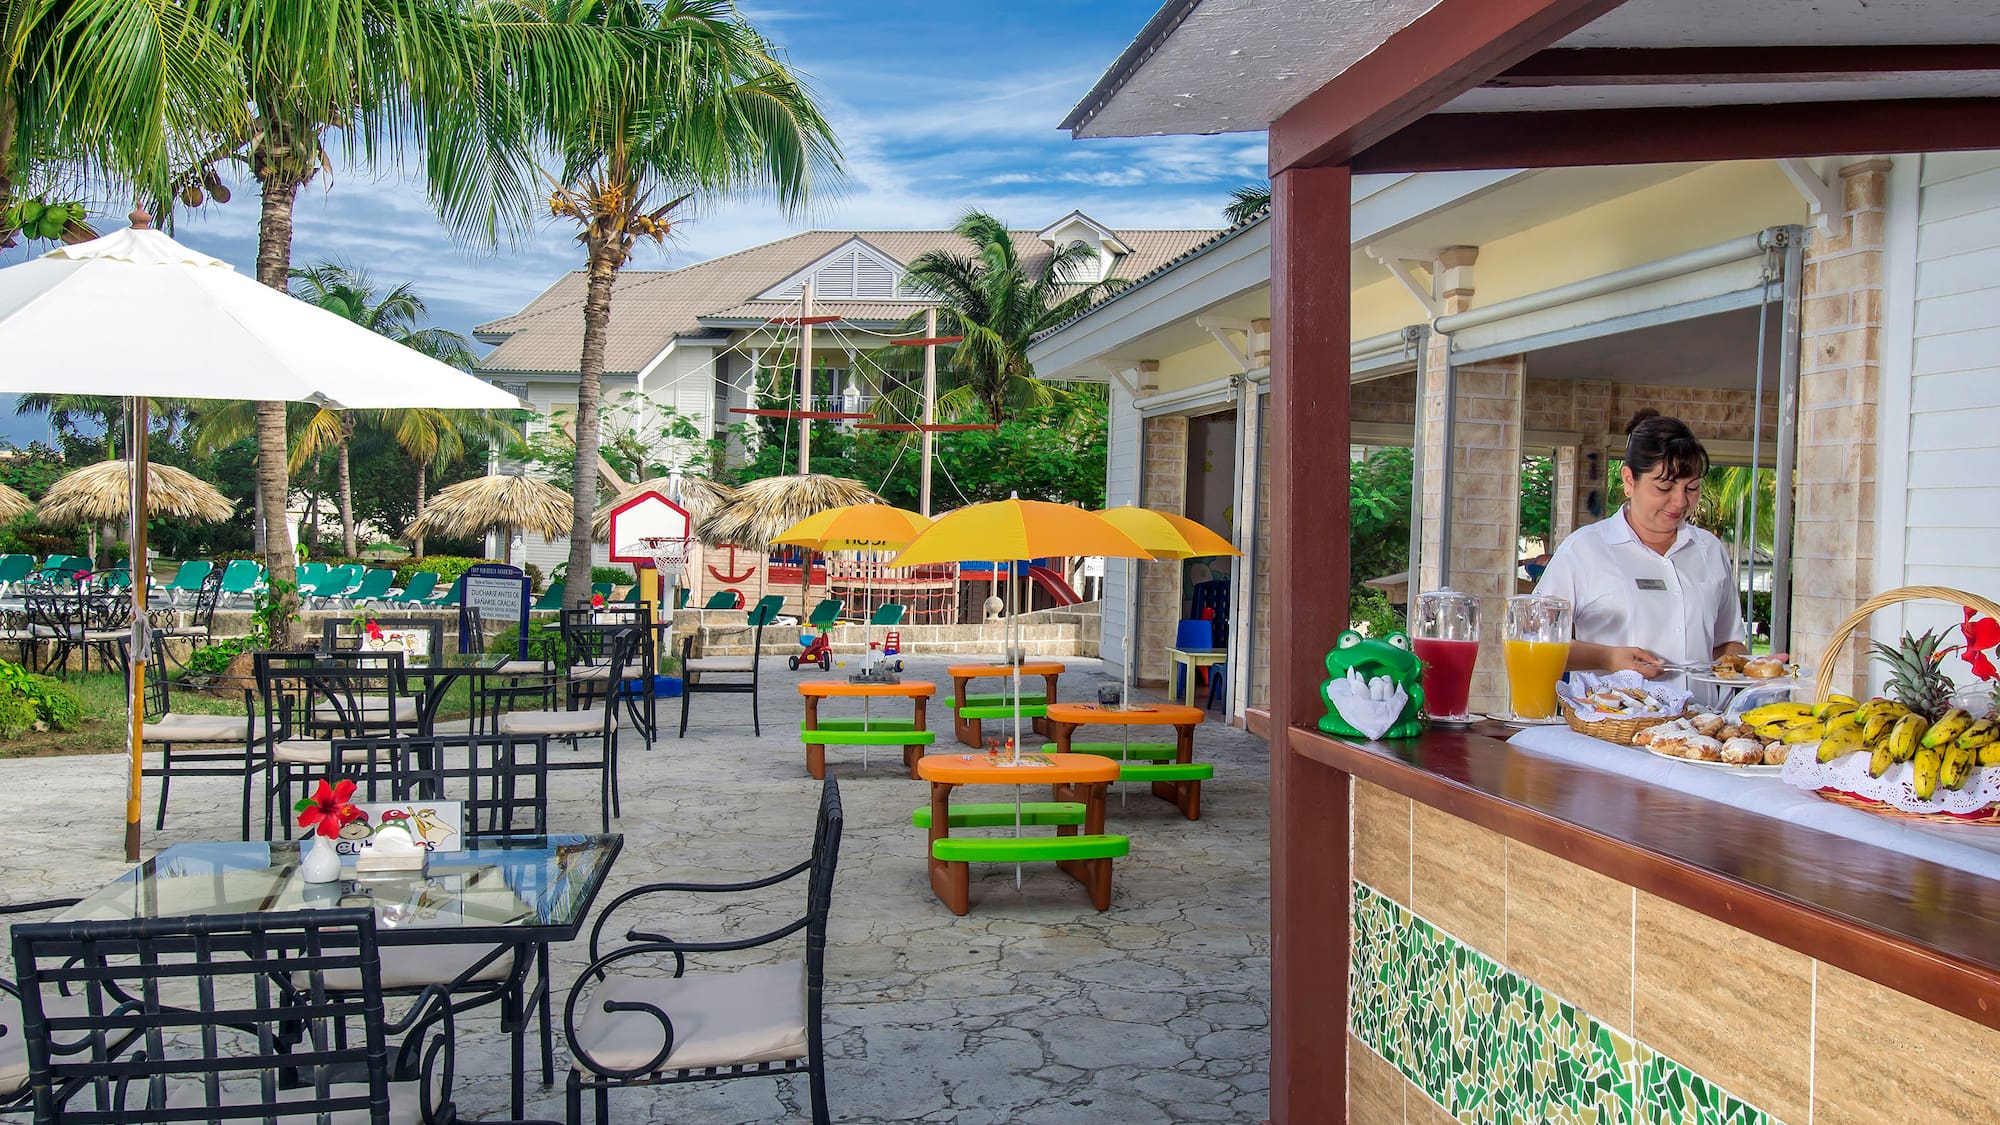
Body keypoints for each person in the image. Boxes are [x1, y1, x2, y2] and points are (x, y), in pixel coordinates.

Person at [1533, 409, 1748, 679]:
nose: (1680, 501)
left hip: (1701, 708)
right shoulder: (1584, 549)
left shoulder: (1710, 550)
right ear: (1629, 480)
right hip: (1614, 707)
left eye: (1692, 488)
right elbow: (1535, 643)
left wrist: (1754, 667)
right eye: (1664, 487)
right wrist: (1606, 658)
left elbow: (1726, 644)